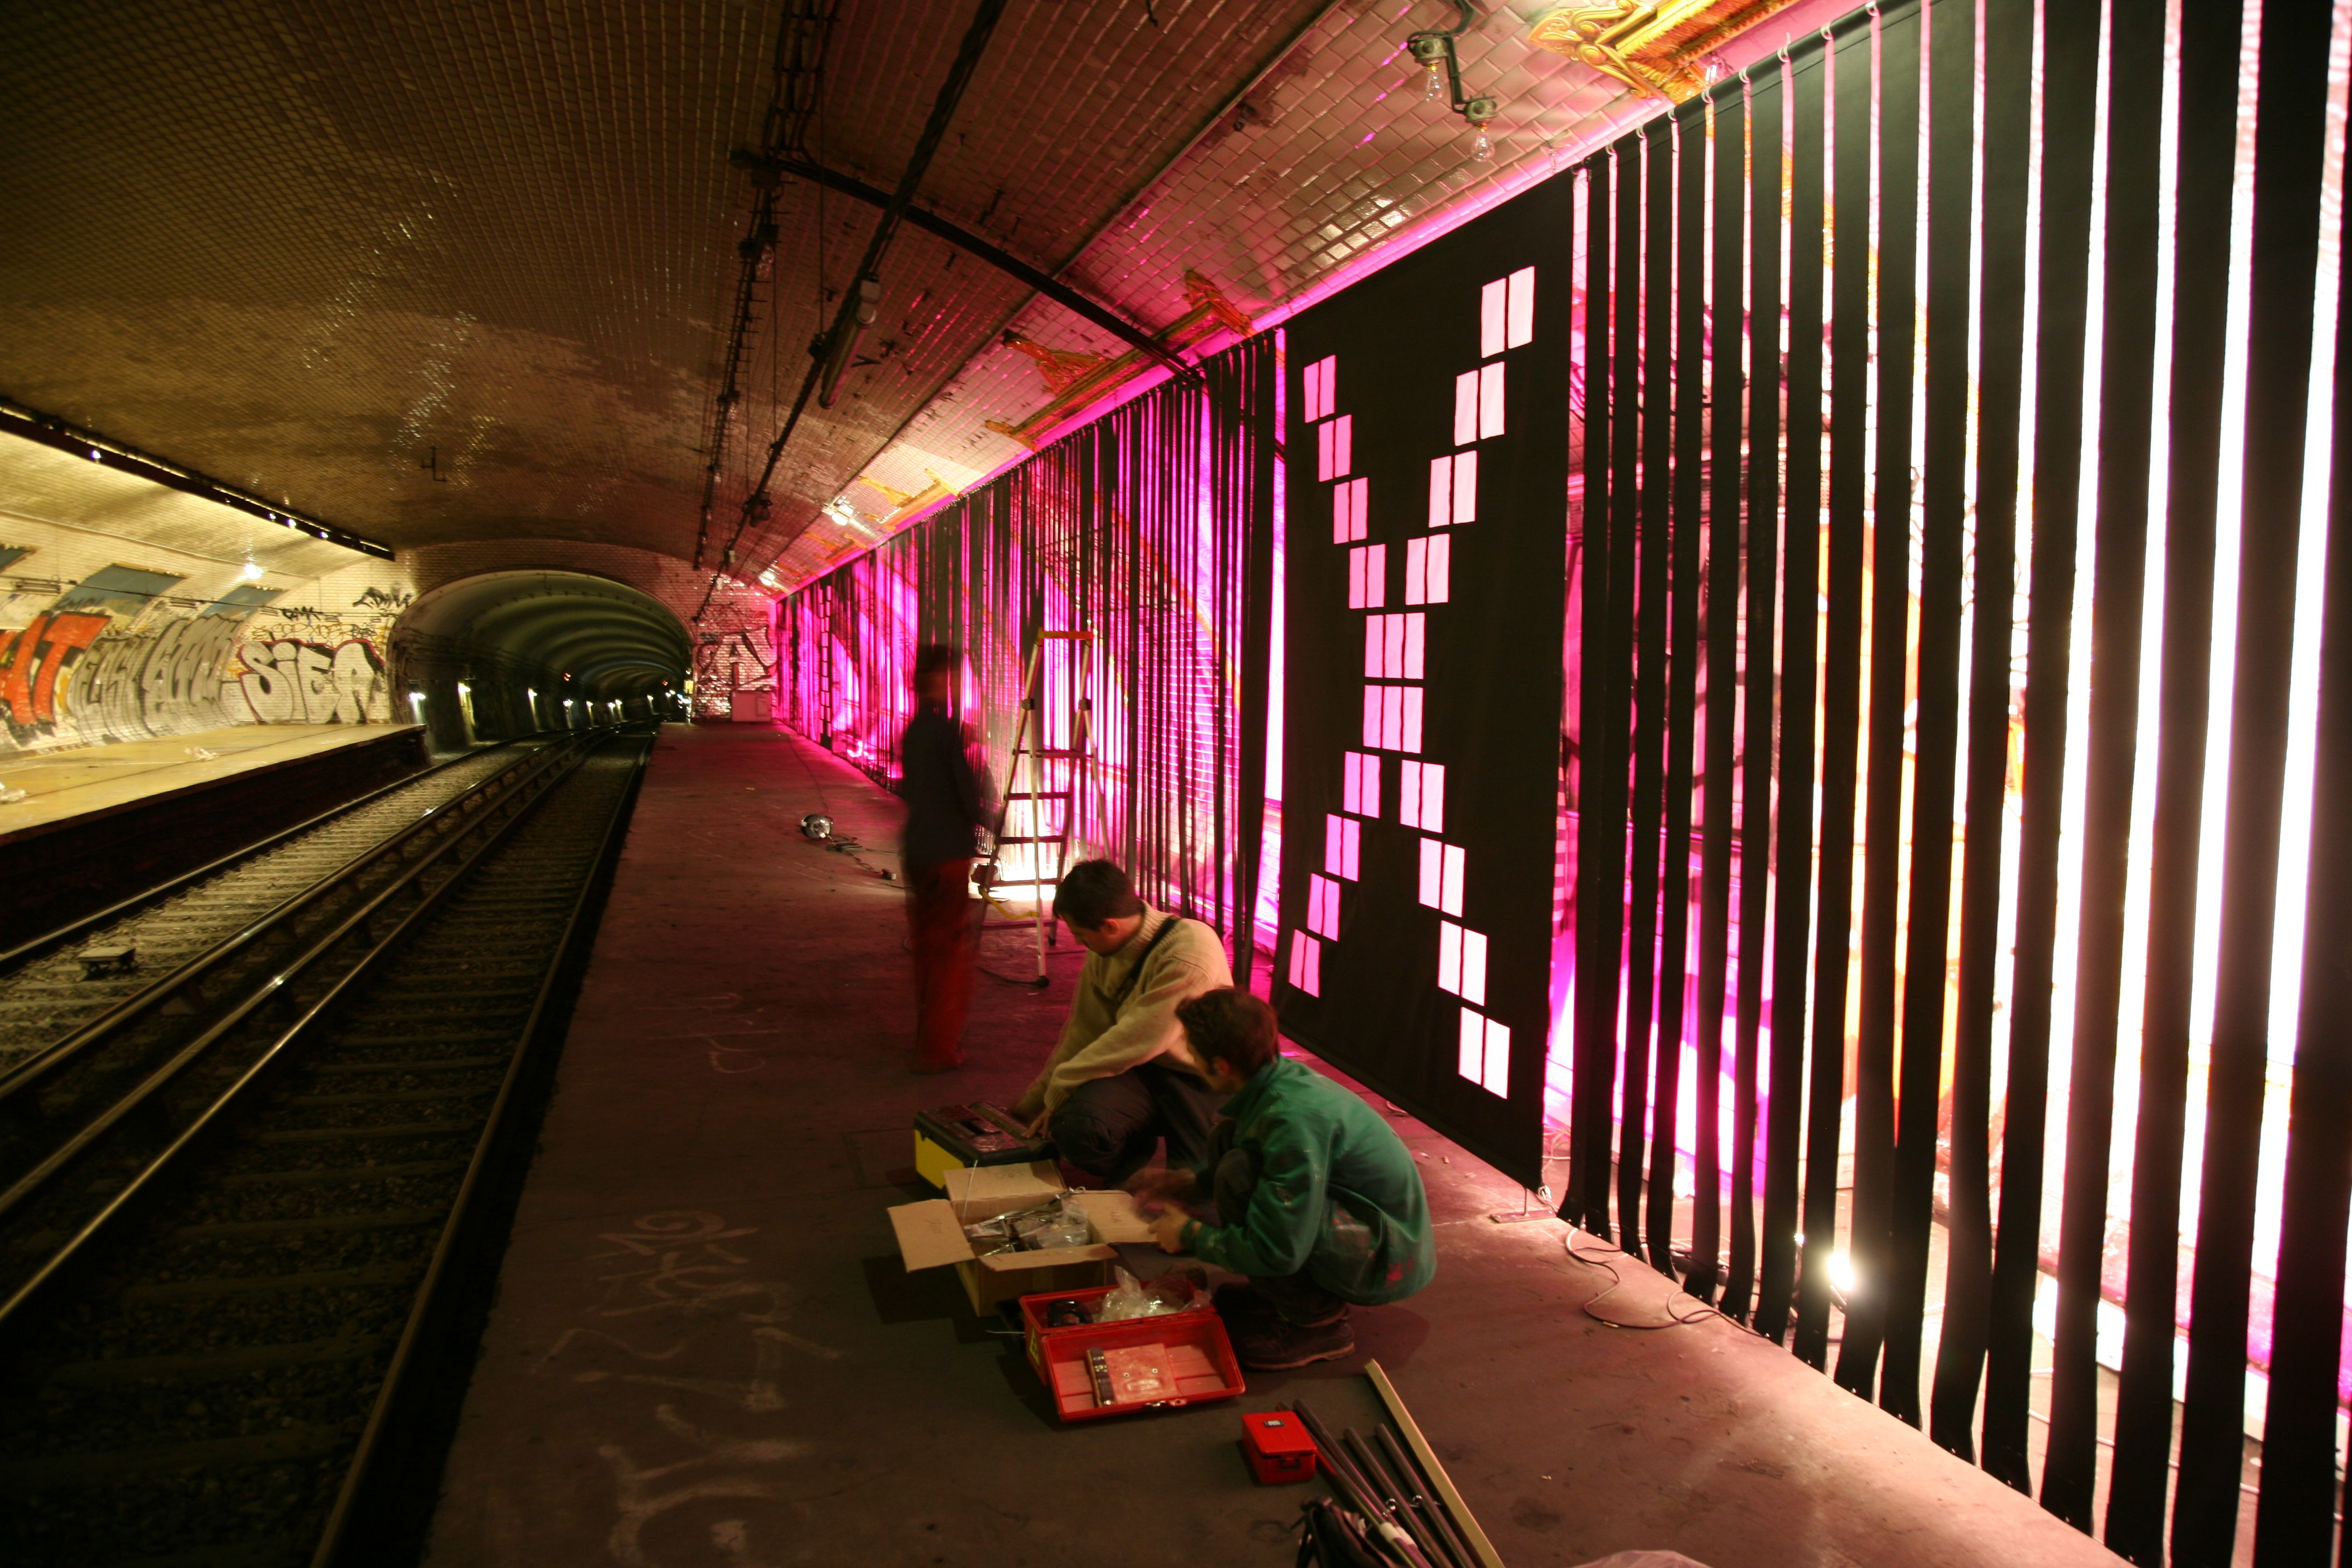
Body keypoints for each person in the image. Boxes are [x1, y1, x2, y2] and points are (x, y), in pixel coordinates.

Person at [1140, 987, 1434, 1370]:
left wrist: (1192, 1235)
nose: (1189, 1061)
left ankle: (1319, 1323)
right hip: (1369, 1224)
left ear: (1223, 1066)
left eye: (1194, 1055)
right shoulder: (1276, 1081)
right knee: (1229, 1143)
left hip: (1388, 1255)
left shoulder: (1293, 1118)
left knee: (1238, 1175)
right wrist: (1190, 1184)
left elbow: (1279, 1248)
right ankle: (1280, 1296)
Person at [1010, 859, 1233, 1184]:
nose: (1079, 943)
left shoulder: (1189, 954)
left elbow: (1137, 1039)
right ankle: (1133, 1162)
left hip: (1198, 1079)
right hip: (1141, 1070)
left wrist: (1059, 1090)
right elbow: (1083, 1032)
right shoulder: (1105, 952)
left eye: (1081, 935)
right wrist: (1030, 1104)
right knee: (1076, 1127)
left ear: (1110, 925)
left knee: (1199, 1192)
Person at [899, 645, 991, 1072]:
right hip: (946, 856)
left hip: (917, 849)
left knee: (927, 950)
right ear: (942, 679)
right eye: (951, 675)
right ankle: (939, 1049)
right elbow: (967, 795)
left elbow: (915, 787)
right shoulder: (947, 730)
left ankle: (928, 1038)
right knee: (949, 958)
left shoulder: (915, 730)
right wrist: (990, 821)